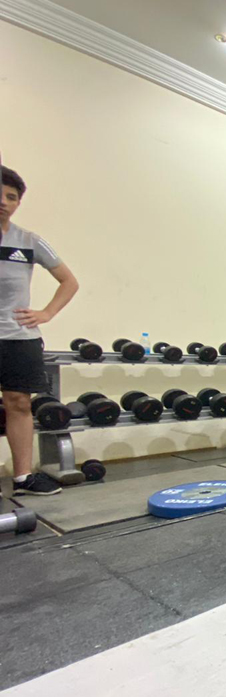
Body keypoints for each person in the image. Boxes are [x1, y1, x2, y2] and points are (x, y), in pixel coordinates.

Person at [0, 166, 80, 495]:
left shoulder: (29, 241)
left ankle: (22, 478)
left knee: (19, 403)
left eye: (11, 197)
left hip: (18, 337)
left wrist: (46, 313)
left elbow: (69, 281)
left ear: (18, 203)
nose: (4, 202)